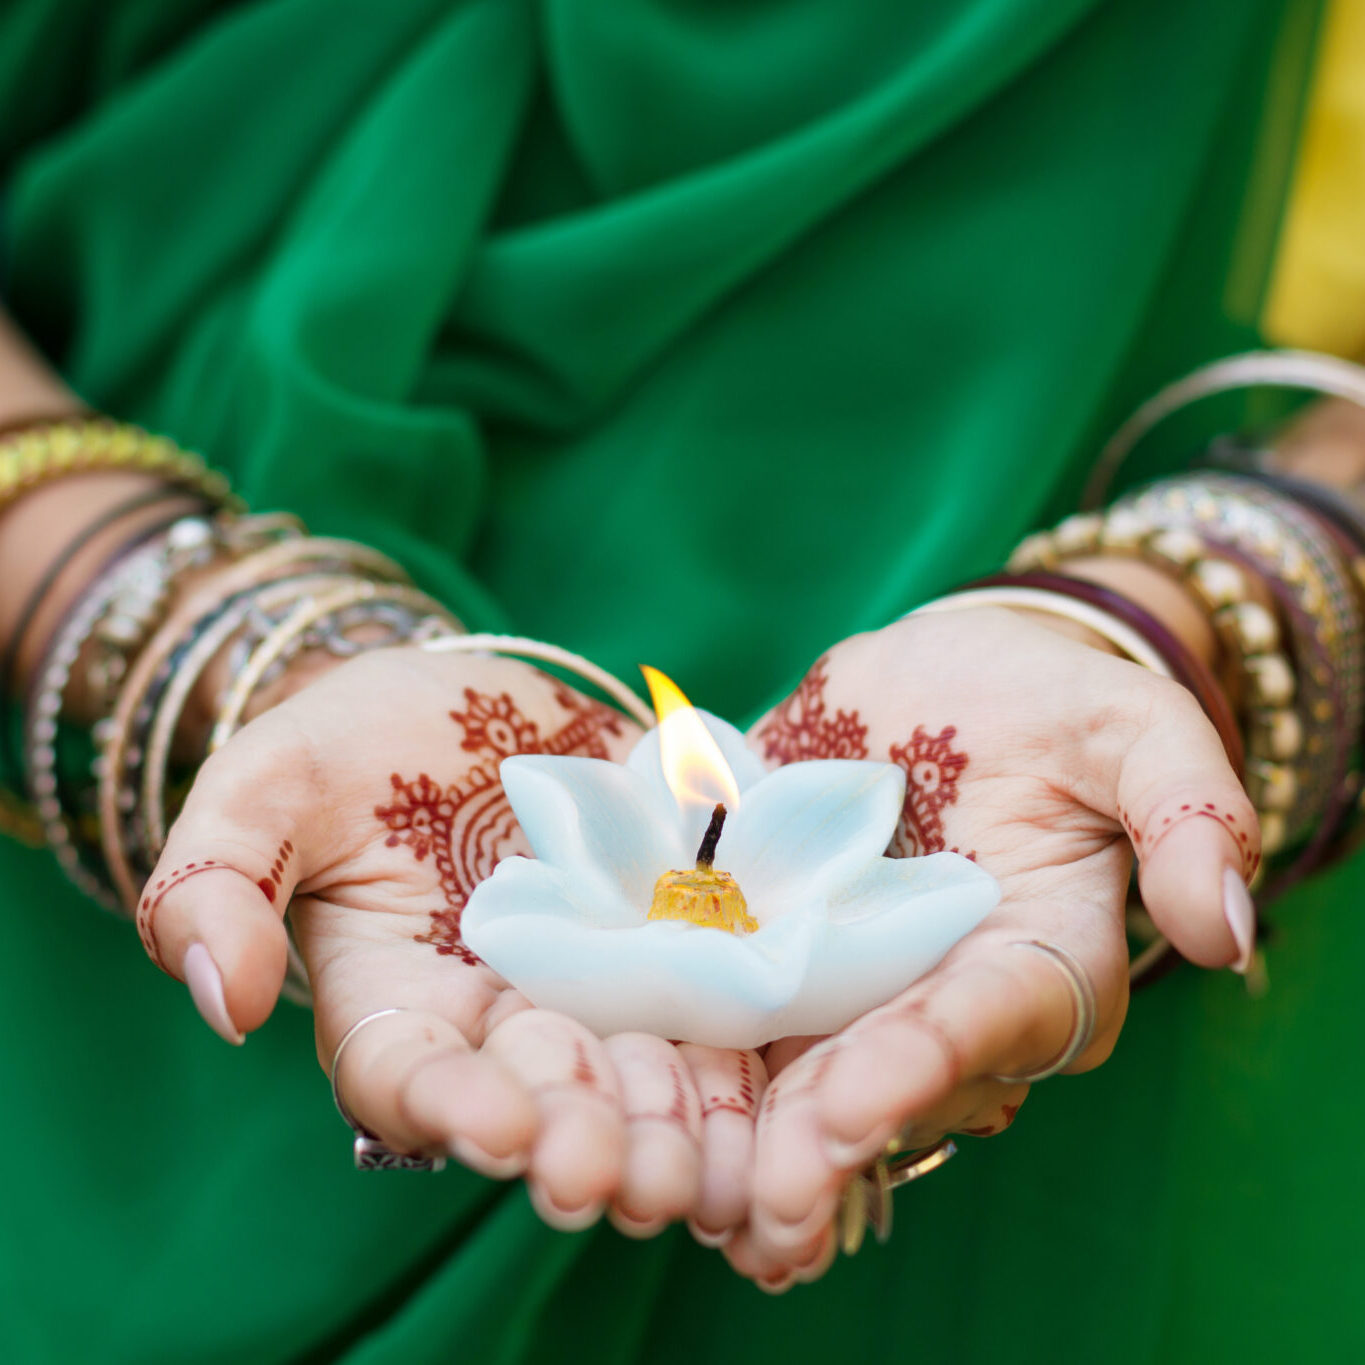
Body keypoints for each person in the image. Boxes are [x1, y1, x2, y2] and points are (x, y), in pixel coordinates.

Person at [2, 0, 1364, 1359]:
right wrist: (141, 600)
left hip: (1054, 1058)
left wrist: (1214, 594)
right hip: (122, 1052)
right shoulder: (538, 880)